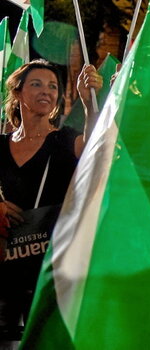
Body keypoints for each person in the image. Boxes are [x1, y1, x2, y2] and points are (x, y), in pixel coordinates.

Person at [0, 59, 101, 338]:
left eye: (53, 86)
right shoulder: (1, 144)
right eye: (36, 84)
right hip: (4, 269)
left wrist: (88, 102)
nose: (46, 91)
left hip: (50, 271)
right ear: (18, 93)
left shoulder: (66, 139)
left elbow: (96, 147)